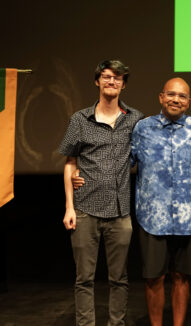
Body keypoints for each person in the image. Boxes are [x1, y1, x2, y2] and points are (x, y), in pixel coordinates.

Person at [59, 60, 144, 326]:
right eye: (106, 77)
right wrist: (69, 207)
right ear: (97, 81)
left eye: (117, 78)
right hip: (85, 208)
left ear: (123, 84)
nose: (111, 82)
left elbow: (157, 136)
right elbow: (70, 162)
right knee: (84, 279)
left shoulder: (135, 119)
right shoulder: (80, 119)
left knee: (119, 279)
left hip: (120, 212)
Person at [130, 77, 191, 326]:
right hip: (153, 216)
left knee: (181, 276)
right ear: (161, 97)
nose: (176, 99)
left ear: (188, 102)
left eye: (182, 96)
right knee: (154, 278)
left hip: (190, 216)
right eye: (171, 94)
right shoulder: (143, 128)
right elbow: (123, 162)